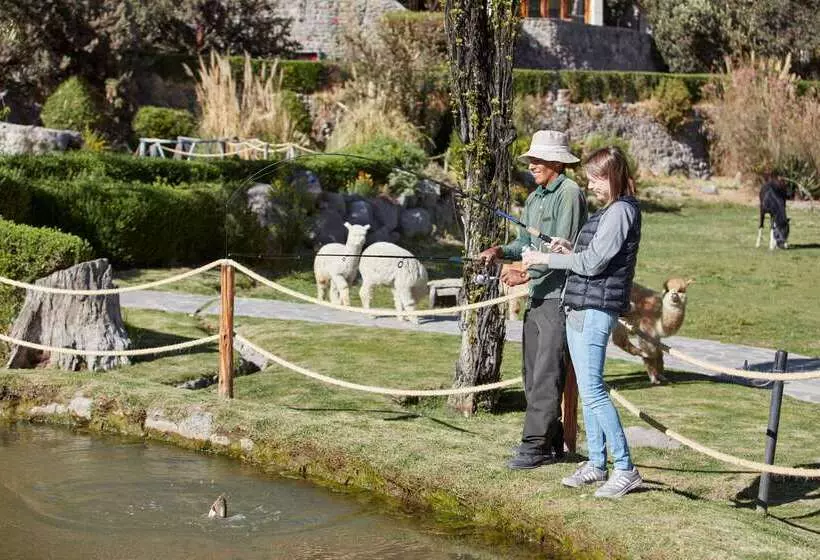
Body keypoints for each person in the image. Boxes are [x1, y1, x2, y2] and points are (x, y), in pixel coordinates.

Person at [522, 146, 643, 498]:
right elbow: (586, 256)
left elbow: (592, 264)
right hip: (580, 306)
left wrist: (545, 258)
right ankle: (596, 463)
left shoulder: (621, 211)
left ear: (612, 176)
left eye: (595, 179)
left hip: (595, 310)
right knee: (589, 395)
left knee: (593, 391)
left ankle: (625, 468)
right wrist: (566, 248)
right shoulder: (608, 212)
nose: (590, 186)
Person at [479, 130, 587, 470]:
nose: (532, 165)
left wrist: (525, 274)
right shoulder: (535, 197)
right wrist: (500, 252)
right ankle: (551, 440)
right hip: (537, 298)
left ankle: (534, 446)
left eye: (538, 160)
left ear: (557, 162)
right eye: (531, 160)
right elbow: (524, 243)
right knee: (531, 374)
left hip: (559, 297)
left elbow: (562, 249)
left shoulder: (570, 194)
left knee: (546, 374)